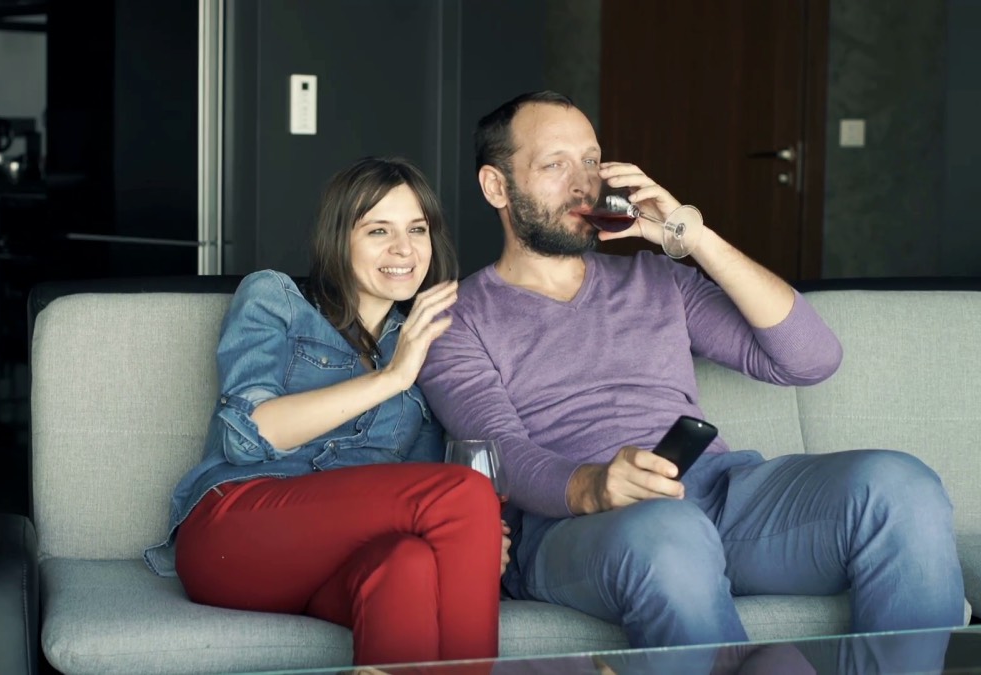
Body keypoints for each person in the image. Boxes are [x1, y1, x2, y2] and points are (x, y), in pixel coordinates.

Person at [417, 90, 965, 649]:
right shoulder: (454, 319)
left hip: (717, 498)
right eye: (554, 165)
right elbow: (501, 455)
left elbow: (811, 359)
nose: (583, 183)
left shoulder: (657, 281)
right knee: (671, 533)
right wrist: (595, 485)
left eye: (590, 160)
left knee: (902, 485)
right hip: (577, 530)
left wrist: (690, 236)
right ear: (497, 186)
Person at [143, 156, 509, 667]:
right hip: (237, 533)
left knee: (408, 564)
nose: (403, 249)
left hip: (335, 564)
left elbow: (420, 486)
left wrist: (477, 537)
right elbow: (246, 435)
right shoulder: (276, 299)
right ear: (340, 238)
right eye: (379, 230)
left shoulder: (424, 342)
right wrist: (391, 378)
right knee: (465, 494)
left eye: (417, 229)